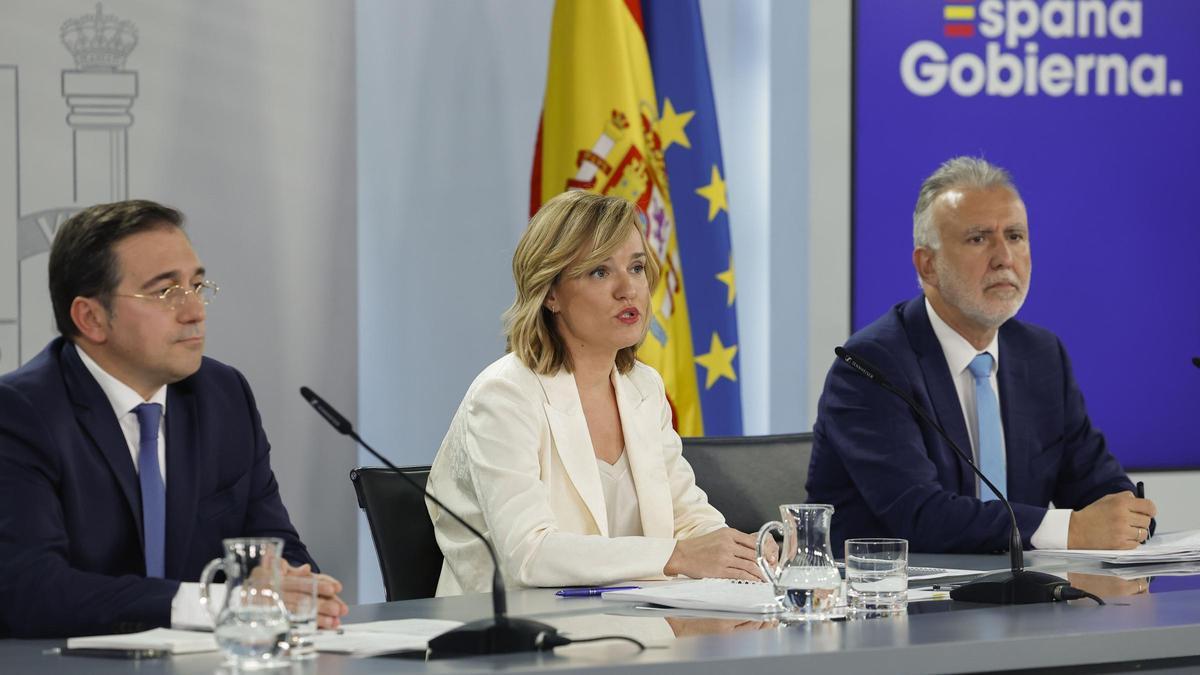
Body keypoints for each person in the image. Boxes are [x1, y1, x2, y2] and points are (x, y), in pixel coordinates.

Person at [0, 200, 348, 638]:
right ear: (90, 318)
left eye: (197, 286)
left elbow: (273, 545)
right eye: (166, 292)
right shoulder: (20, 414)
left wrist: (298, 589)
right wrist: (219, 603)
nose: (194, 311)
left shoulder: (222, 395)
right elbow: (31, 589)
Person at [807, 157, 1156, 554]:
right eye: (978, 239)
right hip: (895, 605)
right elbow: (920, 517)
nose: (1003, 257)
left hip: (1026, 605)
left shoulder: (1041, 356)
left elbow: (1098, 485)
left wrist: (1126, 518)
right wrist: (1072, 530)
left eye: (1015, 236)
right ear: (928, 265)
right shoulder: (871, 366)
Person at [427, 190, 765, 595]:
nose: (629, 290)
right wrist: (676, 557)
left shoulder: (643, 387)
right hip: (513, 642)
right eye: (600, 272)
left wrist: (747, 553)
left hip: (629, 628)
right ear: (550, 293)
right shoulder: (504, 395)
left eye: (637, 267)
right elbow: (529, 554)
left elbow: (688, 518)